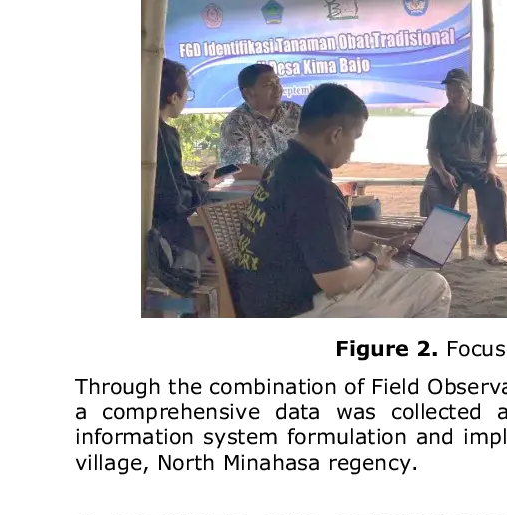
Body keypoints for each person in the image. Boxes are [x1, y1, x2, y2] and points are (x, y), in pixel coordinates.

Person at [230, 82, 451, 320]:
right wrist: (373, 258)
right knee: (434, 287)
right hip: (293, 309)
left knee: (394, 272)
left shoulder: (281, 166)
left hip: (261, 296)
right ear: (335, 134)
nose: (353, 148)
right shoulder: (316, 190)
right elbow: (337, 281)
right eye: (355, 137)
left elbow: (328, 236)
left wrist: (385, 243)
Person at [420, 68, 507, 265]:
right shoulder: (438, 119)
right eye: (449, 91)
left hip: (478, 167)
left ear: (469, 90)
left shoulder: (484, 115)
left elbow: (491, 147)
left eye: (458, 90)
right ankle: (433, 251)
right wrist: (442, 173)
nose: (453, 95)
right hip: (447, 166)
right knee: (432, 192)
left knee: (496, 191)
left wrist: (491, 168)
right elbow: (433, 153)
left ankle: (492, 250)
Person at [154, 60, 215, 252]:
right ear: (174, 97)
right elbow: (176, 202)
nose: (187, 98)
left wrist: (191, 180)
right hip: (159, 240)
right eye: (187, 92)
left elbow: (163, 179)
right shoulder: (161, 135)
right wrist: (204, 186)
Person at [219, 63, 303, 178]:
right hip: (260, 188)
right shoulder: (236, 122)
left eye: (277, 82)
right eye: (269, 85)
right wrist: (278, 177)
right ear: (248, 93)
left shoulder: (294, 111)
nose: (277, 88)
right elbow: (236, 169)